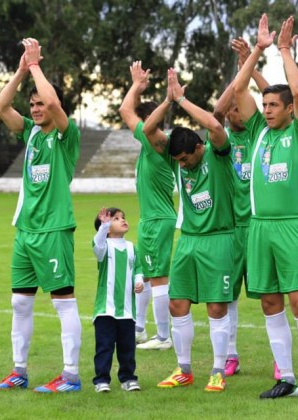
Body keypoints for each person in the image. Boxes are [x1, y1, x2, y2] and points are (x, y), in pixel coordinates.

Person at [233, 14, 298, 402]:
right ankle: (287, 379)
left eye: (275, 104)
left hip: (292, 227)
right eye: (266, 104)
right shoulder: (258, 131)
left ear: (289, 109)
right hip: (259, 228)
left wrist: (285, 50)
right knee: (271, 304)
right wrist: (257, 50)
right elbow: (240, 86)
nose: (268, 109)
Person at [0, 38, 82, 393]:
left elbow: (56, 102)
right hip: (25, 231)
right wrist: (19, 71)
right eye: (32, 104)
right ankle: (19, 371)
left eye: (40, 103)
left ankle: (71, 376)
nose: (35, 108)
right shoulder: (30, 134)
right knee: (19, 302)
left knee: (63, 303)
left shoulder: (66, 134)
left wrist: (35, 66)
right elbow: (0, 105)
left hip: (54, 230)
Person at [143, 68, 235, 393]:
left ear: (198, 148)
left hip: (219, 239)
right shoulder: (177, 159)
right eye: (177, 161)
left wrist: (182, 98)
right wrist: (167, 101)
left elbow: (213, 124)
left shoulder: (218, 154)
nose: (181, 165)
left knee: (215, 307)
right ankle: (184, 369)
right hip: (188, 241)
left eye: (185, 159)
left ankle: (217, 371)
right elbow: (148, 128)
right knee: (176, 303)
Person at [212, 37, 270, 377]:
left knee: (270, 296)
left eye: (239, 106)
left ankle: (280, 361)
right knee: (228, 294)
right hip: (231, 230)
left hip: (261, 227)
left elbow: (263, 97)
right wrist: (239, 75)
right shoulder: (220, 139)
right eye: (231, 108)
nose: (234, 113)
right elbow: (216, 113)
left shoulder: (262, 133)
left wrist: (251, 66)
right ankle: (231, 354)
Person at [119, 61, 175, 351]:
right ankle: (140, 328)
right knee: (145, 273)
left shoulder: (156, 140)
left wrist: (137, 86)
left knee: (158, 275)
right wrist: (139, 90)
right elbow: (131, 112)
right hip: (152, 219)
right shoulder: (150, 144)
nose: (135, 128)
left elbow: (126, 111)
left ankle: (163, 337)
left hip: (157, 219)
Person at [92, 207, 144, 393]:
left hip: (127, 311)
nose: (122, 220)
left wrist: (138, 281)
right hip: (106, 309)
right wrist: (104, 227)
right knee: (104, 347)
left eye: (123, 217)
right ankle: (101, 380)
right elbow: (97, 246)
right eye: (116, 218)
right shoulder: (104, 246)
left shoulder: (132, 247)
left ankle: (128, 378)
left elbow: (138, 268)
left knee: (127, 349)